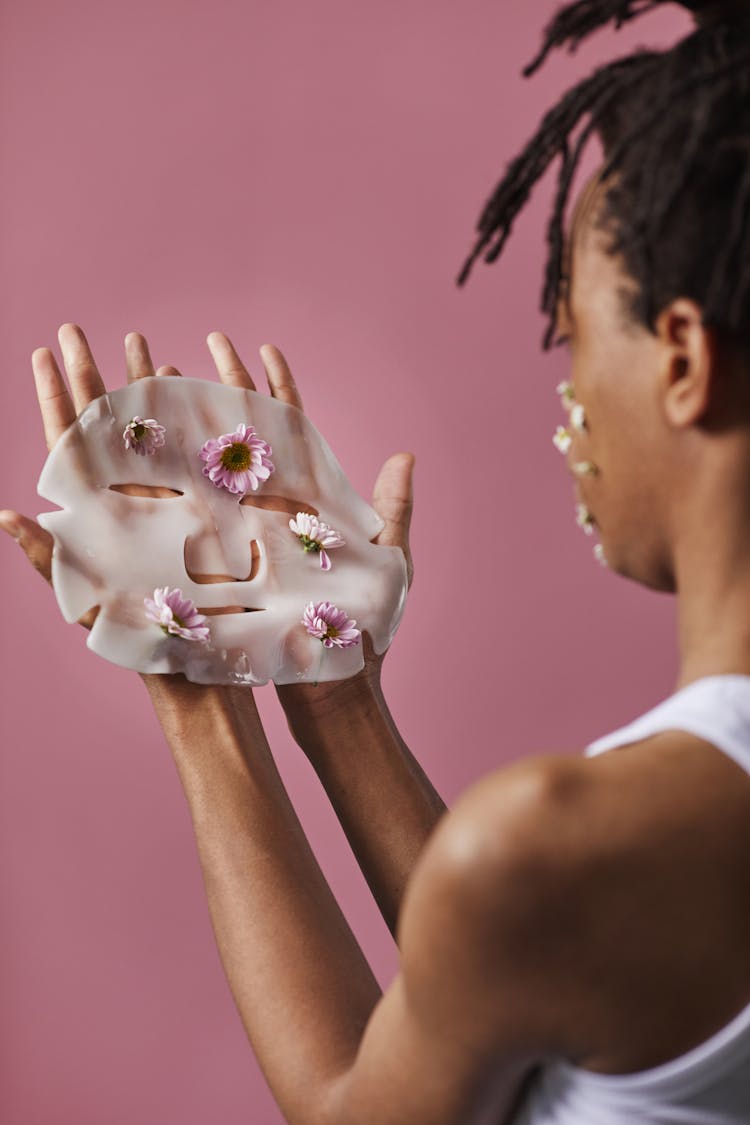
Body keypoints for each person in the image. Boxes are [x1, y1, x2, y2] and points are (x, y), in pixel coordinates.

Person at [4, 0, 750, 1120]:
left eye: (574, 340)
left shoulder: (554, 844)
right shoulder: (574, 876)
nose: (572, 402)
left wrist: (196, 702)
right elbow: (528, 993)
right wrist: (336, 695)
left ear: (684, 357)